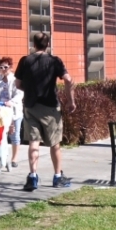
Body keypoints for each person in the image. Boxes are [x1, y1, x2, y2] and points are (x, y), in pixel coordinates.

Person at [14, 32, 76, 191]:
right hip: (50, 107)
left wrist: (29, 90)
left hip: (30, 106)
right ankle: (57, 176)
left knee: (34, 142)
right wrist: (71, 101)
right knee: (54, 143)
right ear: (47, 45)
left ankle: (33, 176)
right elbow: (68, 79)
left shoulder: (25, 61)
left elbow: (18, 84)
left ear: (33, 44)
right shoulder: (54, 61)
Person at [0, 56, 24, 168]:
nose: (3, 69)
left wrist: (11, 102)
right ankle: (0, 156)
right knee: (0, 134)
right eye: (1, 67)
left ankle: (14, 158)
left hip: (13, 111)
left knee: (14, 135)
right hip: (0, 111)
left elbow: (20, 93)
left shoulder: (15, 79)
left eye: (5, 67)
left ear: (11, 67)